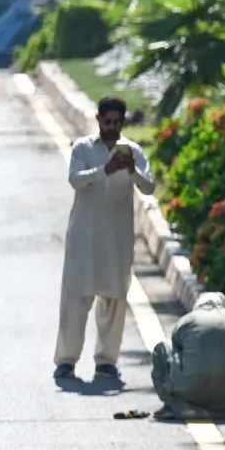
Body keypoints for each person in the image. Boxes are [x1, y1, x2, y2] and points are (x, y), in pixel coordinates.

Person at [55, 96, 153, 382]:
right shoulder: (84, 148)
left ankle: (106, 360)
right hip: (84, 236)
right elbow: (75, 179)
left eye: (117, 123)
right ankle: (66, 360)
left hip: (117, 240)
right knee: (75, 299)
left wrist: (132, 170)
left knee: (114, 298)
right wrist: (104, 171)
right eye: (107, 122)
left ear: (122, 123)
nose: (112, 127)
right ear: (98, 120)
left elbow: (149, 187)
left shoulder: (133, 151)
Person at [152, 292, 225, 419]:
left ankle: (176, 405)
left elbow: (175, 353)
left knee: (163, 347)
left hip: (191, 390)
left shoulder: (186, 321)